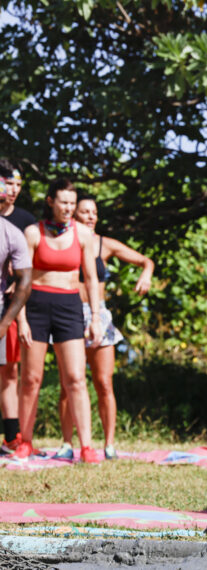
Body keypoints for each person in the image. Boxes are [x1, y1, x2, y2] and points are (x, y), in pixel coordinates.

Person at [52, 194, 155, 461]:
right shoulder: (65, 242)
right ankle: (66, 443)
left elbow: (146, 260)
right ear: (74, 214)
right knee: (68, 385)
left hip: (100, 317)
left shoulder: (104, 244)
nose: (90, 216)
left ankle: (109, 445)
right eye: (85, 212)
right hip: (69, 314)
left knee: (103, 383)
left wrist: (146, 275)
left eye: (94, 212)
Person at [15, 178, 103, 463]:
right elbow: (22, 282)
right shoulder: (33, 233)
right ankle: (24, 441)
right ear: (50, 201)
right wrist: (23, 320)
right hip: (37, 305)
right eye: (63, 202)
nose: (68, 208)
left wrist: (95, 319)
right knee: (30, 379)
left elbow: (90, 279)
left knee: (76, 379)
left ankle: (87, 447)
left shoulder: (83, 235)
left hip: (69, 306)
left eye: (72, 203)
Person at [0, 160, 36, 454]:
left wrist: (10, 321)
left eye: (15, 185)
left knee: (9, 372)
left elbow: (26, 279)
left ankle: (12, 436)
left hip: (8, 311)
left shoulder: (20, 226)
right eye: (6, 183)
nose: (11, 190)